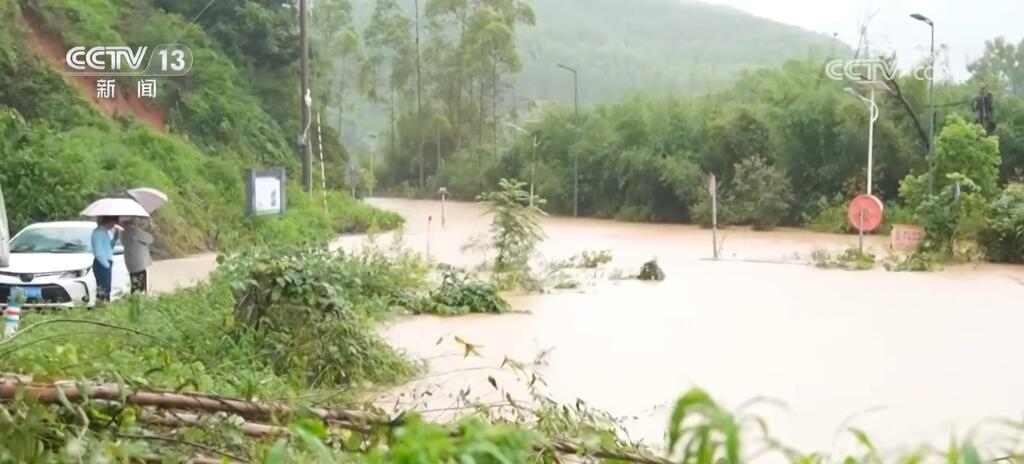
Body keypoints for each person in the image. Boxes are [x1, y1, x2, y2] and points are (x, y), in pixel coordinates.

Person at [120, 217, 153, 294]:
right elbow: (150, 239)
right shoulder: (135, 231)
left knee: (134, 283)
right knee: (140, 286)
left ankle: (134, 298)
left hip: (130, 262)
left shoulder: (123, 232)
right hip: (139, 262)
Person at [91, 216, 119, 303]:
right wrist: (107, 265)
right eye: (113, 223)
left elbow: (107, 248)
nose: (113, 226)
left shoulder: (105, 232)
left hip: (105, 262)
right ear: (109, 221)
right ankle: (102, 307)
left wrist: (114, 239)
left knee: (106, 288)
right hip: (102, 263)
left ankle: (104, 306)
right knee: (103, 289)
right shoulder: (98, 233)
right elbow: (98, 253)